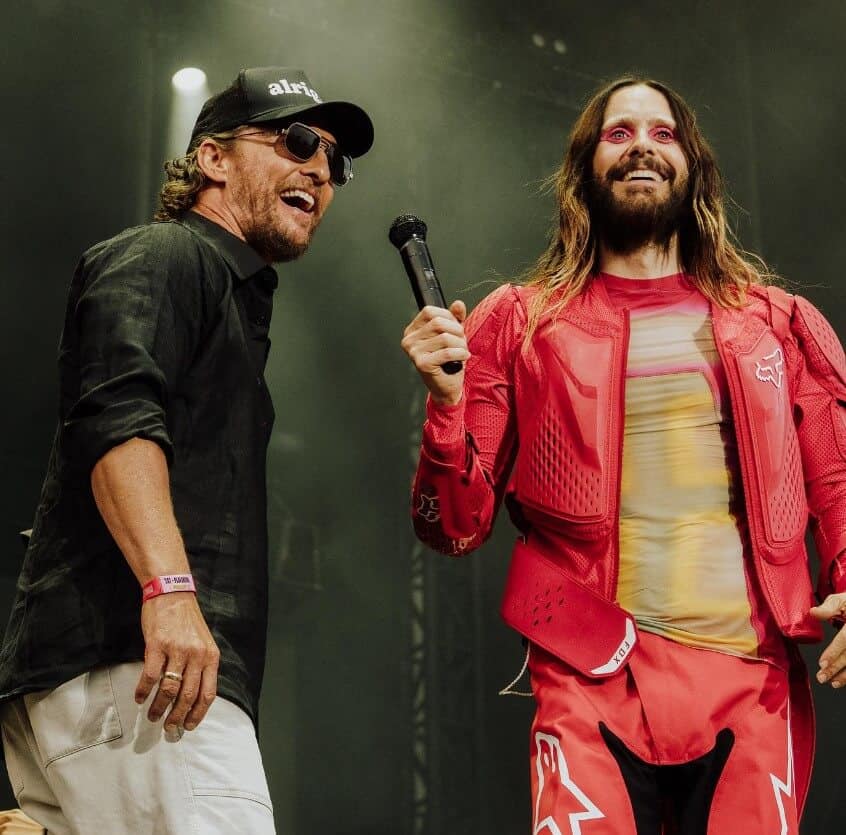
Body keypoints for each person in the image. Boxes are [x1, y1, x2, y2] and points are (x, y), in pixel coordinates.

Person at [402, 76, 846, 834]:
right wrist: (445, 408)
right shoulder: (518, 322)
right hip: (590, 678)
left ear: (692, 166)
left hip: (750, 684)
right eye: (619, 132)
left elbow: (836, 477)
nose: (642, 142)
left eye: (663, 133)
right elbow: (454, 528)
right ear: (584, 169)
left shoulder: (779, 323)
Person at [0, 66, 373, 834]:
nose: (318, 167)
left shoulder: (228, 296)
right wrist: (169, 590)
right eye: (296, 140)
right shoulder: (166, 256)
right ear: (212, 159)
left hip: (118, 675)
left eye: (334, 160)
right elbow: (116, 420)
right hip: (140, 670)